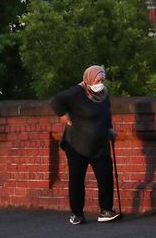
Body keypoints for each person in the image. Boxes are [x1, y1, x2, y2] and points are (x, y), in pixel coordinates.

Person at [50, 65, 122, 225]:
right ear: (89, 78)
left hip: (99, 143)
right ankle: (77, 214)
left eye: (103, 80)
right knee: (76, 178)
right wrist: (64, 116)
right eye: (98, 80)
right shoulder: (77, 92)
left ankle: (106, 210)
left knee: (105, 176)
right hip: (76, 144)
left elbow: (106, 111)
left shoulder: (104, 93)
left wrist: (110, 128)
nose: (101, 83)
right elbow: (55, 101)